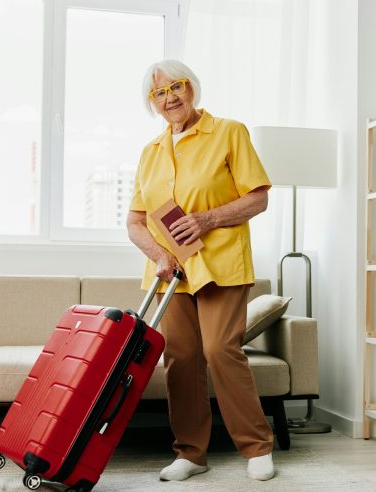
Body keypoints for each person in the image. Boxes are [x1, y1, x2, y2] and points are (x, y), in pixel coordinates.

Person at [126, 59, 274, 482]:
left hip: (222, 265)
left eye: (178, 86)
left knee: (219, 350)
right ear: (151, 102)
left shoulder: (229, 131)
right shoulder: (150, 152)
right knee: (181, 357)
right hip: (171, 273)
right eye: (159, 92)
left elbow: (258, 199)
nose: (170, 97)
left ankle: (256, 446)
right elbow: (135, 221)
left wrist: (206, 219)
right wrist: (159, 255)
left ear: (193, 89)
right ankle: (191, 453)